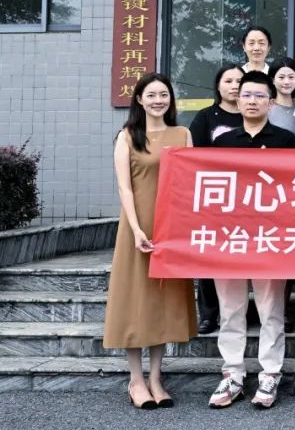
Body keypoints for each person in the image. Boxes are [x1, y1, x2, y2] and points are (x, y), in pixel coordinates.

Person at [207, 71, 295, 410]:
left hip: (270, 237)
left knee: (270, 309)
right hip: (230, 237)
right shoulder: (222, 142)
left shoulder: (286, 140)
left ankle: (270, 372)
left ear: (271, 102)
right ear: (237, 98)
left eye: (259, 96)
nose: (251, 101)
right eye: (246, 94)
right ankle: (232, 372)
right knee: (230, 309)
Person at [103, 73, 197, 410]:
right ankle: (136, 380)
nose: (158, 100)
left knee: (162, 302)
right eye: (152, 95)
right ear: (140, 100)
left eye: (164, 94)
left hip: (170, 229)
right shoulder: (128, 136)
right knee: (134, 300)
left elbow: (192, 181)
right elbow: (124, 187)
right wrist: (136, 227)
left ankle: (156, 378)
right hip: (137, 228)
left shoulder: (182, 134)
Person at [188, 64, 244, 335]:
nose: (234, 86)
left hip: (251, 197)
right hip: (217, 195)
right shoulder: (205, 117)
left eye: (239, 81)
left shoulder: (253, 114)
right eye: (228, 81)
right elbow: (194, 157)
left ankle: (247, 312)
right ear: (218, 86)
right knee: (211, 255)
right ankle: (209, 314)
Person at [268, 57, 295, 142]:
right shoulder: (266, 108)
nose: (286, 82)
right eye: (281, 77)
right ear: (273, 80)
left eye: (291, 77)